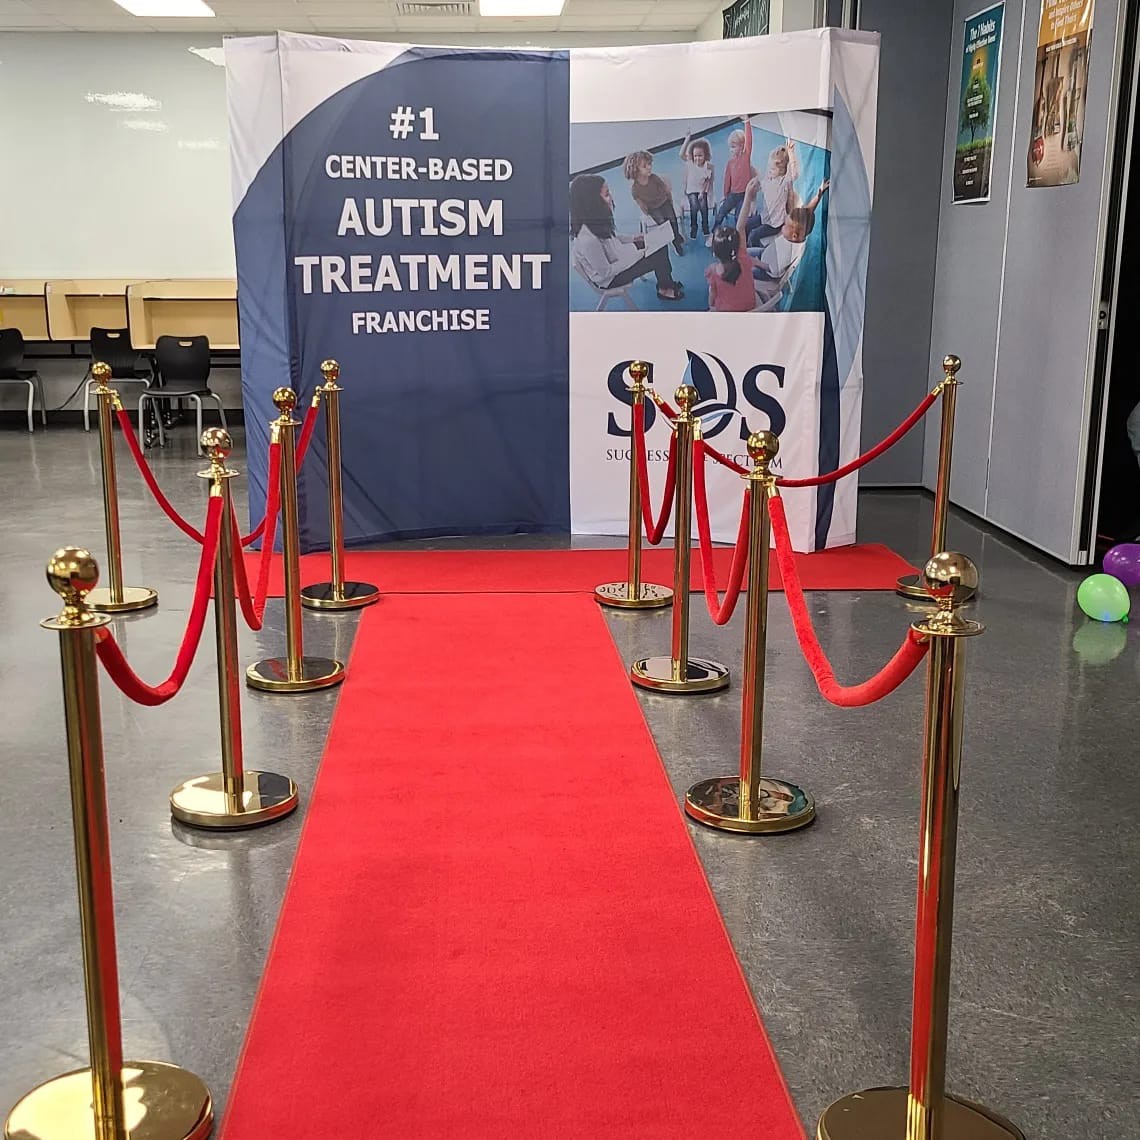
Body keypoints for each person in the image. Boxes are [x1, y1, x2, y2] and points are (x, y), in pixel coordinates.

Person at [570, 173, 684, 302]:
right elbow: (606, 272)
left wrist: (634, 238)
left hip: (618, 257)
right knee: (658, 255)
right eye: (606, 194)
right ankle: (665, 288)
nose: (611, 197)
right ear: (591, 202)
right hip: (612, 279)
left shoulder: (593, 222)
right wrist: (637, 255)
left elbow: (612, 237)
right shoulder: (588, 240)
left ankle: (665, 283)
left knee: (659, 243)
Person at [705, 182, 761, 313]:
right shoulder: (744, 258)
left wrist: (711, 306)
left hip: (728, 314)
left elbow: (711, 300)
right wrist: (747, 197)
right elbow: (741, 226)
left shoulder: (714, 273)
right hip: (751, 306)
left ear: (714, 254)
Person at [622, 150, 684, 254]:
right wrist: (645, 210)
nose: (649, 167)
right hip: (653, 208)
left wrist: (670, 201)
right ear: (635, 170)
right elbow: (640, 203)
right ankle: (675, 241)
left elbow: (666, 189)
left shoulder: (654, 178)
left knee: (673, 220)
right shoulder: (635, 189)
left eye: (649, 164)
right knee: (663, 223)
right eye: (644, 166)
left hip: (664, 201)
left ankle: (676, 236)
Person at [743, 138, 800, 246]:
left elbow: (794, 173)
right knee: (746, 225)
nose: (769, 171)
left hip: (775, 223)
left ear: (782, 170)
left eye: (773, 169)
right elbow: (757, 184)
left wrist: (791, 153)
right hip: (764, 217)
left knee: (754, 235)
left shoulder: (783, 182)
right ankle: (743, 247)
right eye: (769, 167)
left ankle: (755, 251)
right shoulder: (768, 178)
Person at [708, 117, 755, 240]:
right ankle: (713, 233)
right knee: (721, 213)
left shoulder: (745, 157)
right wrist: (725, 195)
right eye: (730, 147)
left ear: (742, 146)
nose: (731, 150)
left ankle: (739, 239)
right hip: (732, 195)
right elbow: (727, 180)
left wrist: (747, 122)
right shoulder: (730, 163)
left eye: (734, 147)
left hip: (744, 195)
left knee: (739, 219)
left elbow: (749, 141)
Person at [679, 132, 714, 240]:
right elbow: (681, 154)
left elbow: (707, 182)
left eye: (700, 156)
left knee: (703, 207)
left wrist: (702, 193)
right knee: (694, 206)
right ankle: (694, 226)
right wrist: (687, 139)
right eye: (695, 156)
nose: (697, 158)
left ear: (705, 155)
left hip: (701, 190)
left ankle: (705, 226)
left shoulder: (708, 166)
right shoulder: (690, 163)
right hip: (691, 191)